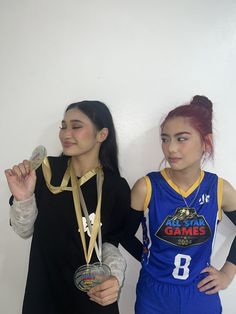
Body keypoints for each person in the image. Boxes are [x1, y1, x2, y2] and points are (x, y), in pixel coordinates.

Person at [5, 100, 130, 314]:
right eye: (63, 126)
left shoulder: (115, 186)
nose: (65, 133)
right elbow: (23, 230)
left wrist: (115, 277)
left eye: (76, 126)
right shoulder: (45, 171)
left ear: (101, 134)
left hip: (93, 298)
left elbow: (109, 243)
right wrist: (24, 198)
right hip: (45, 296)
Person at [121, 95, 236, 314]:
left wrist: (227, 273)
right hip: (154, 294)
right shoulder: (146, 187)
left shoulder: (220, 189)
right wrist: (151, 260)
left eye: (181, 138)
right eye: (165, 139)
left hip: (201, 293)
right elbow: (124, 235)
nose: (171, 148)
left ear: (206, 142)